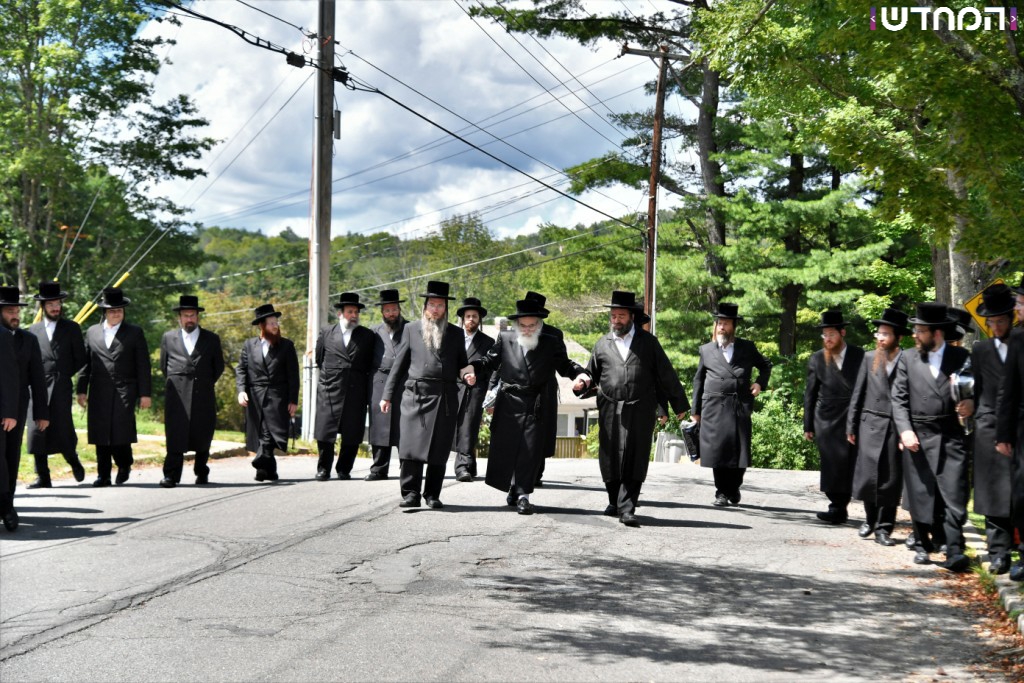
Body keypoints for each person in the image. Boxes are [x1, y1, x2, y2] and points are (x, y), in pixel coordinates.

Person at [466, 297, 588, 515]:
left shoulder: (550, 341)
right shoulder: (505, 338)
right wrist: (472, 368)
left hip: (535, 403)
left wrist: (581, 375)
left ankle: (524, 495)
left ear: (539, 324)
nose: (528, 329)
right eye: (523, 325)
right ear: (517, 324)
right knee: (508, 449)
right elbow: (489, 361)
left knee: (529, 451)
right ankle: (512, 486)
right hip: (509, 402)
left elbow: (565, 365)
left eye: (532, 325)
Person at [578, 291, 689, 527]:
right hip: (609, 407)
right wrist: (583, 382)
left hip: (640, 408)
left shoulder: (648, 343)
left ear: (631, 317)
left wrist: (678, 404)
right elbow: (591, 373)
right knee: (610, 457)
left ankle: (627, 507)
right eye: (613, 315)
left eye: (621, 315)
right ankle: (614, 500)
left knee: (634, 456)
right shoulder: (602, 344)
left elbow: (666, 375)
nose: (616, 320)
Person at [891, 302, 973, 572]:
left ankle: (954, 549)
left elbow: (976, 391)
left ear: (936, 333)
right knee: (920, 494)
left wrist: (970, 404)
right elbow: (898, 399)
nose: (915, 334)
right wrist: (905, 430)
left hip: (951, 434)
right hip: (918, 435)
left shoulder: (961, 358)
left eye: (921, 330)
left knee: (955, 494)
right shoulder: (907, 359)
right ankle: (922, 544)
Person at [380, 281, 472, 509]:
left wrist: (468, 374)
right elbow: (399, 365)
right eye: (432, 304)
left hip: (445, 396)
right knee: (411, 446)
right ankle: (410, 493)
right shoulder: (411, 330)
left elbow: (462, 364)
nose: (436, 309)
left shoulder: (456, 333)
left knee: (439, 449)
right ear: (425, 307)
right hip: (415, 396)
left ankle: (432, 494)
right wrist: (387, 395)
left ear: (445, 308)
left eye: (440, 305)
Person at [691, 302, 772, 507]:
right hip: (713, 406)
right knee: (718, 451)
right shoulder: (707, 350)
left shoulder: (747, 347)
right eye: (719, 323)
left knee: (740, 449)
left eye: (725, 323)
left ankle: (734, 486)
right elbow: (698, 380)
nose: (721, 327)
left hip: (739, 405)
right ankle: (721, 493)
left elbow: (765, 366)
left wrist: (759, 383)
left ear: (734, 326)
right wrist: (695, 411)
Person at [846, 308, 910, 546]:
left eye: (886, 334)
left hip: (896, 425)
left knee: (890, 479)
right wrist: (851, 425)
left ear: (898, 338)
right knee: (868, 476)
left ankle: (884, 528)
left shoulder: (908, 359)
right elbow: (858, 393)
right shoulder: (868, 357)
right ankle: (869, 520)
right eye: (879, 333)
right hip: (869, 423)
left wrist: (907, 431)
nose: (880, 337)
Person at [76, 287, 151, 487]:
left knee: (120, 431)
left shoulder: (134, 332)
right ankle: (103, 475)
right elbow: (86, 364)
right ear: (105, 312)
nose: (116, 313)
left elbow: (143, 364)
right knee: (101, 433)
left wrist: (145, 394)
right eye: (111, 310)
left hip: (125, 389)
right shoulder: (92, 332)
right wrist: (81, 390)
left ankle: (124, 464)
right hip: (99, 389)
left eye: (119, 310)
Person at [972, 284, 1023, 575]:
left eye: (1000, 322)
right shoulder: (980, 351)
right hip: (988, 426)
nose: (995, 328)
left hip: (1018, 428)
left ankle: (1018, 549)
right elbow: (976, 389)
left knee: (1017, 493)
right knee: (993, 493)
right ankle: (998, 551)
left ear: (1010, 318)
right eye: (990, 323)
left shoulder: (1020, 341)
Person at [804, 310, 865, 525]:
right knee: (832, 465)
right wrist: (808, 425)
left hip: (853, 417)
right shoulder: (817, 359)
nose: (827, 339)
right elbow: (810, 394)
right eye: (824, 335)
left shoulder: (860, 355)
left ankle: (856, 507)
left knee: (853, 464)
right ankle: (836, 507)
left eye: (831, 334)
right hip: (827, 420)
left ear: (842, 333)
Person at [159, 295, 225, 488]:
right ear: (179, 317)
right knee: (175, 435)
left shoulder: (211, 339)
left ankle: (201, 471)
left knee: (203, 434)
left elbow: (218, 367)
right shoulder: (168, 338)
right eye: (186, 315)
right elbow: (164, 366)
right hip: (176, 396)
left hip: (202, 394)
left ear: (198, 317)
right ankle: (171, 475)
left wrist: (202, 383)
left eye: (192, 315)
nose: (189, 319)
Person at [26, 281, 87, 488]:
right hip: (37, 386)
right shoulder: (32, 330)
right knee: (36, 431)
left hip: (61, 385)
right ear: (43, 306)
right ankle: (43, 476)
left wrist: (65, 374)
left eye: (58, 303)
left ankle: (73, 461)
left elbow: (81, 359)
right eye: (51, 304)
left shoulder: (71, 328)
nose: (55, 307)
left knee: (63, 429)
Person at [0, 287, 49, 531]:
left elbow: (38, 379)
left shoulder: (28, 340)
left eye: (17, 311)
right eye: (10, 311)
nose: (15, 315)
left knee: (10, 456)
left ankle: (7, 503)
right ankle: (6, 508)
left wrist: (41, 413)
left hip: (15, 406)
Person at [314, 292, 375, 481]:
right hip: (330, 389)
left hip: (355, 390)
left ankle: (344, 469)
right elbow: (319, 359)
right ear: (340, 313)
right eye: (350, 311)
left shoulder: (366, 335)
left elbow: (369, 362)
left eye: (356, 311)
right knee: (325, 432)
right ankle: (323, 469)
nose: (354, 315)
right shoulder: (327, 332)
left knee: (352, 433)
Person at [236, 304, 299, 482]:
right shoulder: (249, 345)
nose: (275, 326)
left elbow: (293, 375)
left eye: (276, 322)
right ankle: (269, 470)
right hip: (255, 395)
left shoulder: (286, 346)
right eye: (271, 323)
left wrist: (293, 400)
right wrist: (241, 391)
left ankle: (260, 462)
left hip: (278, 396)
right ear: (261, 326)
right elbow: (241, 369)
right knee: (261, 431)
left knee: (269, 432)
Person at [996, 285, 1024, 581]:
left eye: (1020, 304)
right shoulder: (1018, 337)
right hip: (1022, 427)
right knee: (1022, 491)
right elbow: (1008, 390)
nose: (1016, 309)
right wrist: (1003, 434)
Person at [366, 289, 408, 481]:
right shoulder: (374, 332)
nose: (391, 313)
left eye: (394, 309)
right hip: (379, 381)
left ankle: (406, 466)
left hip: (403, 381)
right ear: (382, 312)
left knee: (404, 424)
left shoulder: (410, 328)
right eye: (387, 310)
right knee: (379, 426)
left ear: (399, 309)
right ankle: (378, 469)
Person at [452, 297, 494, 482]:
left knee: (468, 427)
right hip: (453, 389)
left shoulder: (488, 342)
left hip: (476, 389)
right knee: (455, 428)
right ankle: (470, 464)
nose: (471, 319)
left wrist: (490, 392)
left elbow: (493, 369)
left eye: (474, 316)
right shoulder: (451, 338)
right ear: (462, 318)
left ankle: (462, 467)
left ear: (479, 319)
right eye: (468, 316)